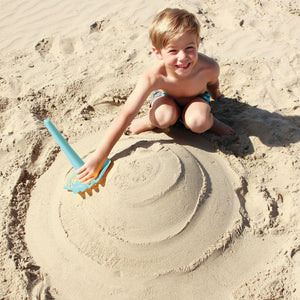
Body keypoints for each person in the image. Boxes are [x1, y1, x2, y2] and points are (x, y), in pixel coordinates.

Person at [77, 8, 234, 184]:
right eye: (173, 51)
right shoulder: (154, 76)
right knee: (163, 116)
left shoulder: (209, 67)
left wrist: (217, 96)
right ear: (158, 52)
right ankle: (149, 121)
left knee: (199, 122)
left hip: (196, 100)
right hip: (166, 100)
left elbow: (213, 84)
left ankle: (212, 121)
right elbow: (126, 113)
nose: (182, 58)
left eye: (189, 48)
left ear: (198, 43)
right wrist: (99, 156)